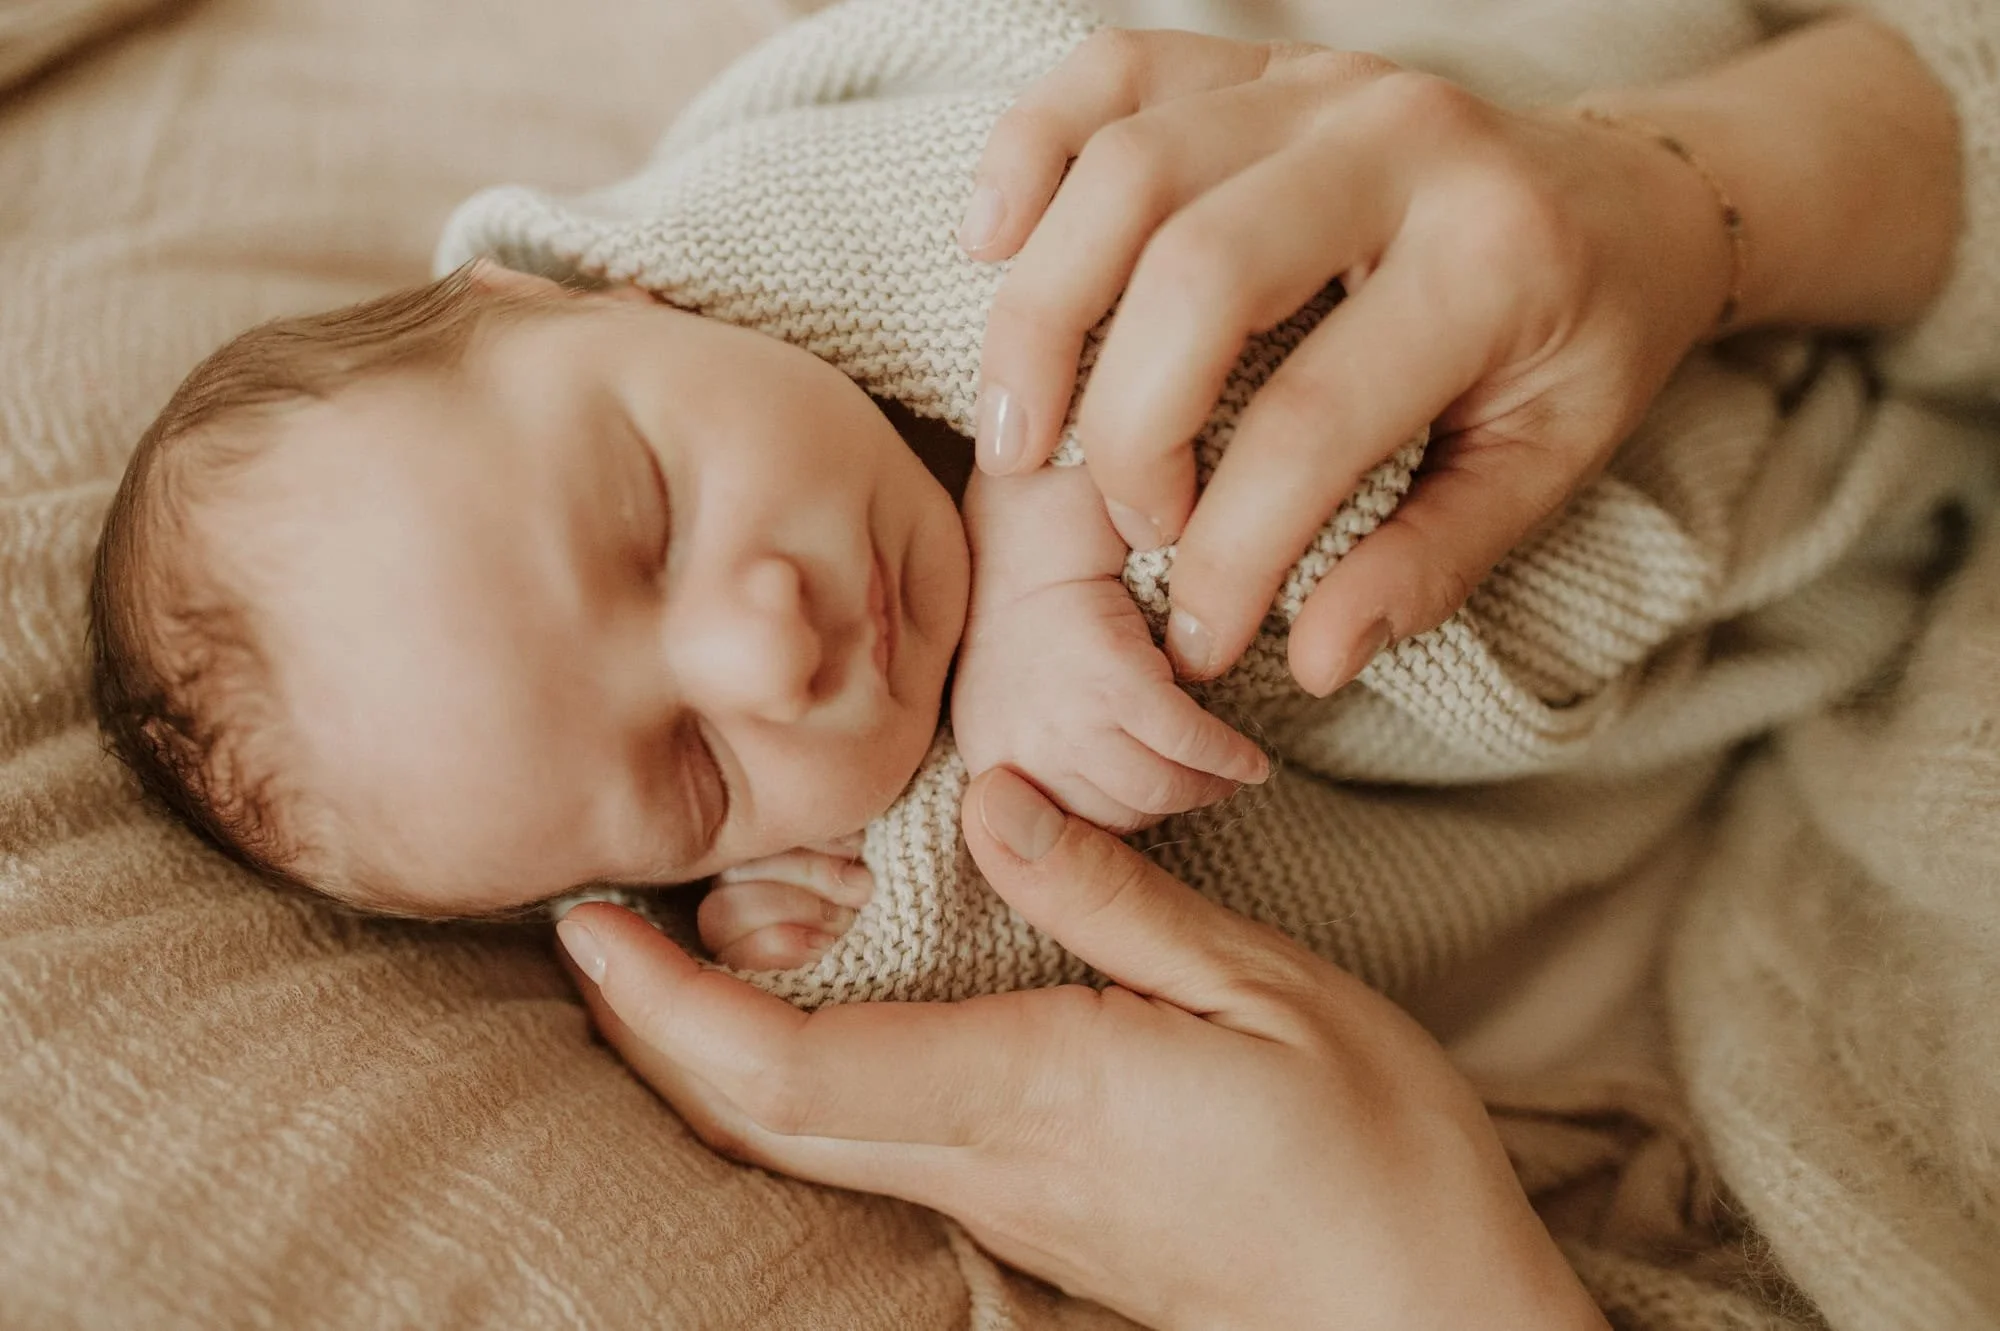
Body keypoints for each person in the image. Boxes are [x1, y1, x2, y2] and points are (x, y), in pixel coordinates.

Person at [558, 7, 1990, 1327]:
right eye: (692, 766)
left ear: (606, 301)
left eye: (647, 511)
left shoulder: (769, 236)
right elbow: (1038, 937)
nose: (765, 642)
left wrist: (1045, 518)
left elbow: (1006, 214)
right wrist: (872, 940)